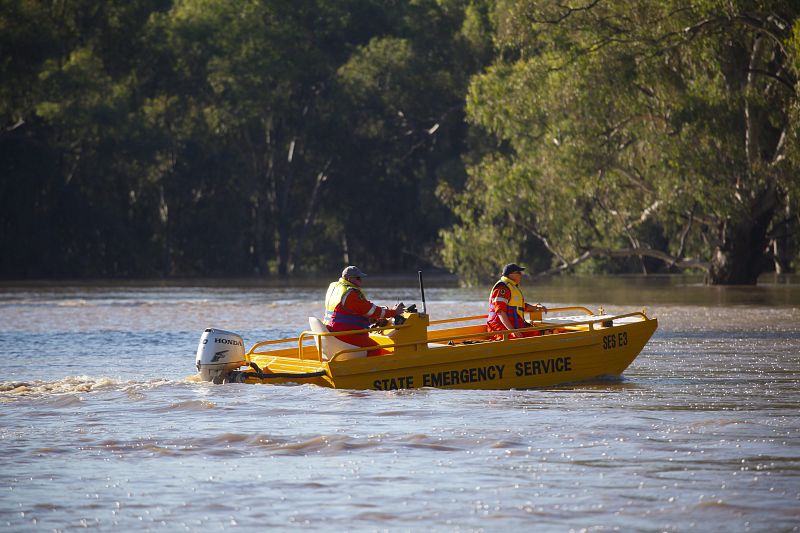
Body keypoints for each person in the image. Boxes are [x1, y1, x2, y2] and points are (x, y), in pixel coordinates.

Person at [323, 266, 404, 356]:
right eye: (358, 278)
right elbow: (371, 310)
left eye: (361, 278)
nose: (360, 281)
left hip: (332, 330)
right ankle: (372, 369)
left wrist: (371, 319)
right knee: (375, 348)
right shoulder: (350, 294)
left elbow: (348, 311)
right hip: (344, 333)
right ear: (349, 279)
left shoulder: (335, 288)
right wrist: (393, 312)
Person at [487, 263, 547, 339]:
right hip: (499, 328)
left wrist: (535, 307)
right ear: (510, 274)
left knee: (538, 332)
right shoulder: (502, 288)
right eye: (518, 272)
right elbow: (500, 311)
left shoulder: (512, 286)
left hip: (514, 325)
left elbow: (518, 307)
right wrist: (512, 331)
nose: (521, 275)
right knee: (533, 335)